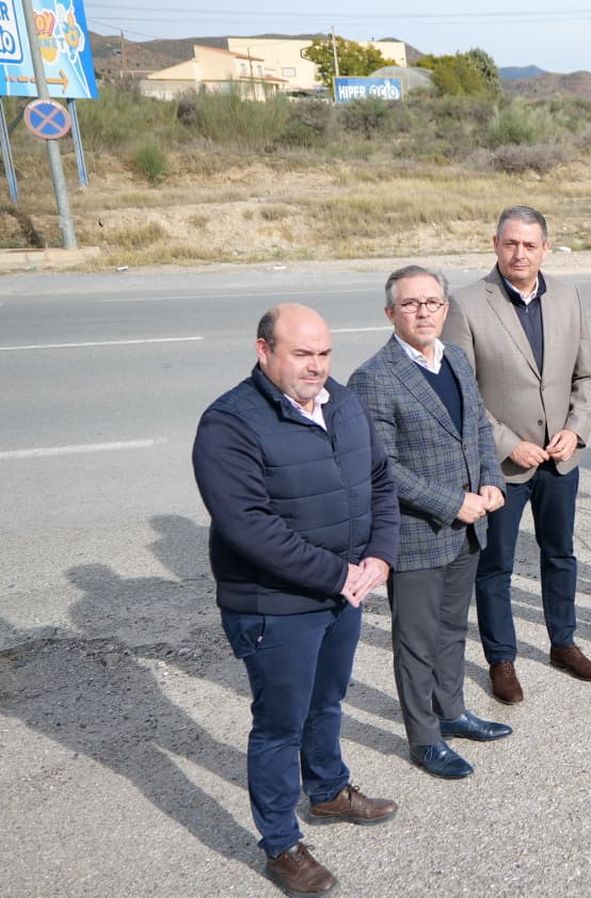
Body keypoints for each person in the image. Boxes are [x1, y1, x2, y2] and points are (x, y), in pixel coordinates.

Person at [192, 303, 400, 897]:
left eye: (324, 353)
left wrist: (380, 555)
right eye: (302, 354)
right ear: (264, 351)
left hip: (343, 593)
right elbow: (249, 527)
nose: (317, 366)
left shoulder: (343, 402)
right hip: (275, 605)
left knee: (327, 700)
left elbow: (379, 481)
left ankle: (328, 790)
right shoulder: (229, 424)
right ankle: (280, 843)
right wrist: (339, 574)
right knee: (279, 726)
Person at [348, 266, 512, 781]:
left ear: (445, 308)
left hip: (469, 526)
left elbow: (478, 429)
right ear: (390, 312)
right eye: (411, 303)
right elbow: (382, 467)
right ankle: (424, 738)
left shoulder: (455, 358)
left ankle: (452, 710)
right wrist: (452, 502)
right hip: (419, 533)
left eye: (433, 302)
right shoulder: (374, 377)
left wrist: (492, 481)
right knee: (416, 641)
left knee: (452, 629)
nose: (423, 312)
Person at [441, 205, 591, 696]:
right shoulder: (467, 304)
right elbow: (462, 392)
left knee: (561, 556)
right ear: (495, 244)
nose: (520, 253)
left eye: (530, 245)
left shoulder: (568, 296)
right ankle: (501, 659)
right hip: (502, 467)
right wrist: (510, 444)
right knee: (496, 567)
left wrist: (575, 431)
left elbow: (587, 376)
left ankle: (563, 642)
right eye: (511, 243)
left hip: (560, 458)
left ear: (545, 249)